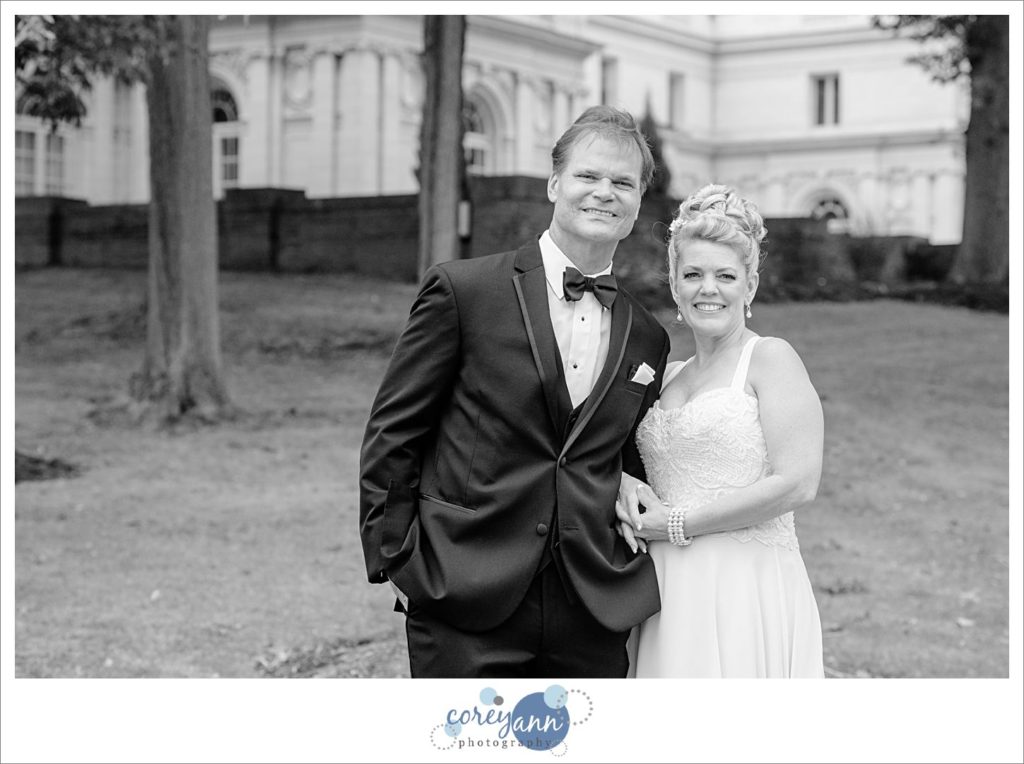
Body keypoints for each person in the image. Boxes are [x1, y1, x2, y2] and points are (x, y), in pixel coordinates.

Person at [358, 106, 671, 678]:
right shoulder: (464, 291)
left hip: (590, 604)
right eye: (587, 175)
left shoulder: (648, 336)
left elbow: (624, 452)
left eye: (623, 183)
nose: (604, 192)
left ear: (638, 202)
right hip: (463, 590)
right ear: (554, 184)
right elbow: (394, 432)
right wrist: (396, 558)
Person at [617, 183, 825, 678]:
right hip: (665, 589)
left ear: (749, 286)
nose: (707, 289)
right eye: (693, 274)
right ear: (674, 285)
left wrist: (676, 525)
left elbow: (798, 483)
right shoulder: (668, 375)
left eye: (725, 276)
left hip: (744, 585)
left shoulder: (770, 358)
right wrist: (622, 483)